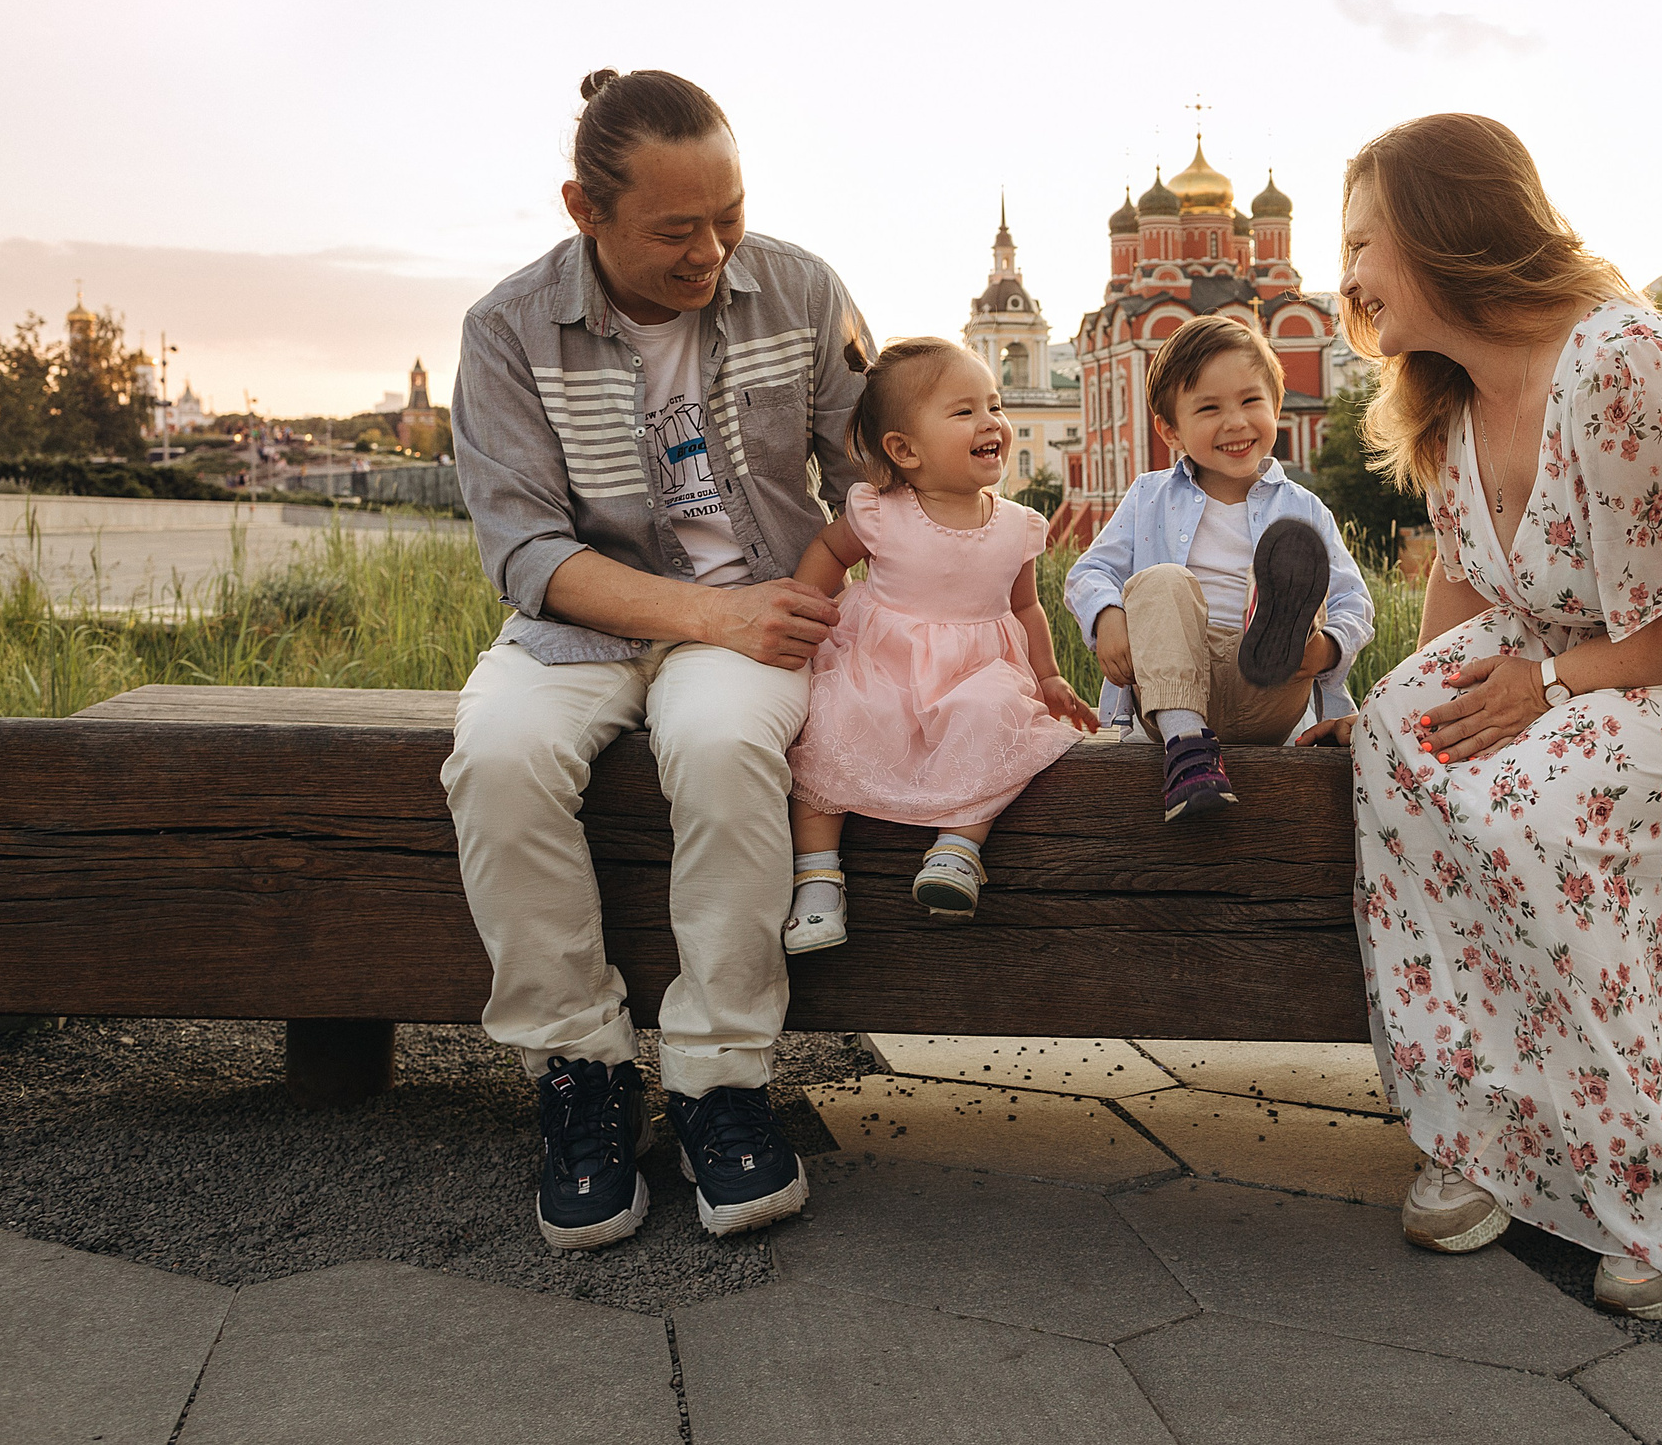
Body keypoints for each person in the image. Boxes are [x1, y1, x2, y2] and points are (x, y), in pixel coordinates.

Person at [1299, 114, 1662, 1320]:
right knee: (1401, 743)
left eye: (1361, 242)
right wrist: (1407, 700)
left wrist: (1547, 691)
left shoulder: (1621, 359)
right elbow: (1465, 587)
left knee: (1543, 800)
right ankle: (1483, 1131)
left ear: (1442, 233)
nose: (1341, 278)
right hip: (1582, 649)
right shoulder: (1443, 398)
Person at [441, 68, 872, 1250]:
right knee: (496, 755)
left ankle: (720, 1078)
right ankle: (580, 1071)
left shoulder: (802, 289)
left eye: (728, 215)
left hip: (761, 606)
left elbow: (874, 473)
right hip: (585, 618)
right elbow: (525, 550)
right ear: (585, 207)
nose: (713, 254)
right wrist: (710, 619)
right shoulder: (506, 329)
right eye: (677, 231)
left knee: (726, 743)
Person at [780, 338, 1099, 949]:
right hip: (884, 660)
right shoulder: (880, 511)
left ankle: (958, 847)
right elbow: (829, 551)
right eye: (964, 412)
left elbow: (1024, 604)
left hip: (980, 668)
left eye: (995, 406)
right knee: (834, 720)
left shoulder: (1016, 526)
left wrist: (1050, 675)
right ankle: (817, 878)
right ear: (905, 450)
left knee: (994, 714)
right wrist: (808, 609)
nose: (992, 424)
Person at [1062, 313, 1374, 821]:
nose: (1235, 422)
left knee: (1299, 583)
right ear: (1171, 430)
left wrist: (1326, 649)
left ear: (1277, 406)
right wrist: (1107, 616)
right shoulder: (1149, 497)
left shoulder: (1303, 509)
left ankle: (1280, 627)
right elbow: (1088, 573)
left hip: (1270, 681)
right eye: (1209, 409)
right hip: (1171, 686)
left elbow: (1353, 602)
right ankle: (1188, 747)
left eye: (1252, 401)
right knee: (1163, 582)